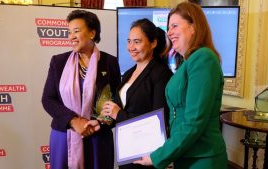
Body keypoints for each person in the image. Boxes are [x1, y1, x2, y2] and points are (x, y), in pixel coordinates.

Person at [134, 2, 228, 169]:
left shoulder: (203, 58)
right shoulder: (187, 62)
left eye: (175, 26)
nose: (169, 32)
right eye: (168, 27)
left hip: (203, 158)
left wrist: (158, 156)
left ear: (193, 27)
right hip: (186, 154)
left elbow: (194, 121)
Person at [41, 9, 121, 169]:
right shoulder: (59, 62)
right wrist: (73, 121)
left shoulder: (109, 62)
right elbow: (48, 99)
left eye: (76, 31)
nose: (71, 36)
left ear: (92, 33)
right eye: (69, 32)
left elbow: (115, 101)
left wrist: (98, 124)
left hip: (98, 136)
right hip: (64, 135)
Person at [100, 18, 173, 169]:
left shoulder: (161, 74)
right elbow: (122, 109)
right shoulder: (128, 73)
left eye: (137, 42)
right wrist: (101, 121)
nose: (131, 47)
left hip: (146, 155)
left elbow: (159, 120)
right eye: (129, 41)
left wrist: (118, 114)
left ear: (153, 43)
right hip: (127, 150)